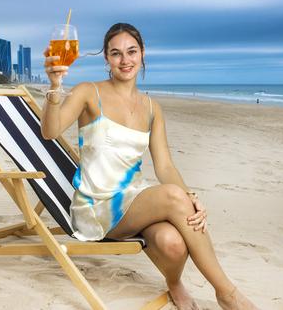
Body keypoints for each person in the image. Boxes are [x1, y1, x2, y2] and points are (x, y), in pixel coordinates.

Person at [41, 23, 259, 310]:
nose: (125, 60)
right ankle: (228, 295)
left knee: (173, 243)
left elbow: (165, 166)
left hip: (135, 199)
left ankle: (174, 283)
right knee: (171, 196)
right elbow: (50, 131)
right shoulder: (87, 92)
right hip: (98, 204)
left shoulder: (152, 107)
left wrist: (191, 197)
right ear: (106, 58)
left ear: (143, 54)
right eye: (116, 53)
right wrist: (55, 87)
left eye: (132, 52)